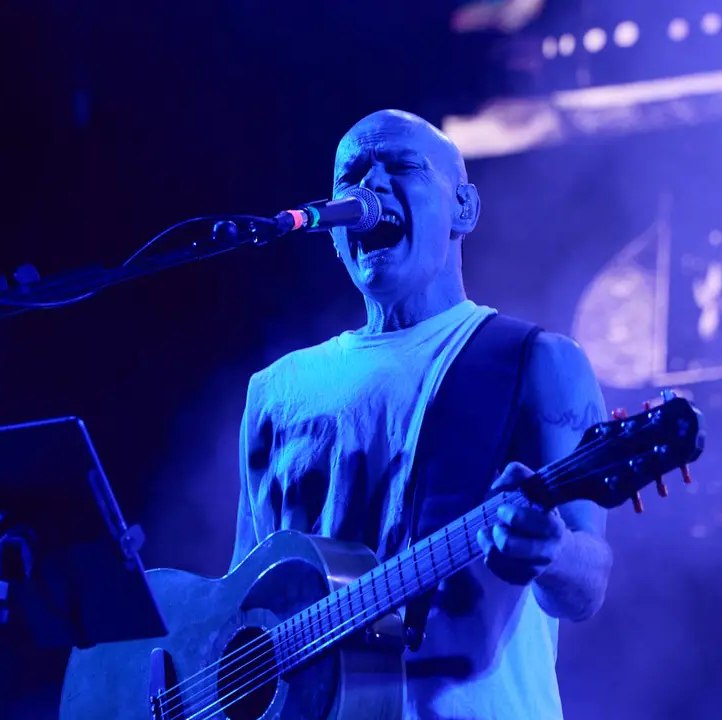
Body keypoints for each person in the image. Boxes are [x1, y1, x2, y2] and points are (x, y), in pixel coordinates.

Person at [229, 109, 613, 719]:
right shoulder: (277, 389)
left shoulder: (533, 360)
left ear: (464, 208)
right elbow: (239, 603)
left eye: (402, 167)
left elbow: (588, 581)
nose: (371, 189)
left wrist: (552, 550)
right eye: (351, 176)